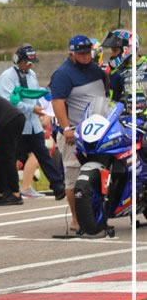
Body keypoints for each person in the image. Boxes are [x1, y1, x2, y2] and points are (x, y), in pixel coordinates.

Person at [51, 34, 109, 232]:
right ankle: (76, 220)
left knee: (99, 173)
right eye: (81, 53)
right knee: (74, 176)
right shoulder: (63, 74)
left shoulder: (96, 70)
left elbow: (105, 96)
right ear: (72, 54)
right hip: (74, 133)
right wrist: (66, 128)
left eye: (88, 52)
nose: (85, 56)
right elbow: (58, 102)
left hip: (98, 131)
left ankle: (97, 215)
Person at [0, 44, 65, 200]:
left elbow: (35, 94)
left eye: (31, 62)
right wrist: (31, 108)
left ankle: (58, 187)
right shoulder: (7, 77)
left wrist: (42, 102)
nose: (30, 65)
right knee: (9, 158)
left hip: (33, 125)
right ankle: (7, 189)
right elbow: (7, 101)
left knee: (44, 155)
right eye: (27, 62)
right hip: (16, 125)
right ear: (17, 60)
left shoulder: (31, 74)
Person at [102, 29, 146, 115]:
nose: (112, 55)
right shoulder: (116, 72)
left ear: (127, 49)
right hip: (127, 119)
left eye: (115, 50)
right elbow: (112, 101)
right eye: (112, 51)